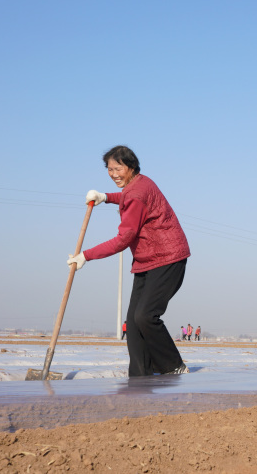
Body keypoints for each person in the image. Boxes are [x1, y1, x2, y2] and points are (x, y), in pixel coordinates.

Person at [67, 145, 190, 376]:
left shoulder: (136, 193)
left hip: (168, 258)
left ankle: (174, 366)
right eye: (109, 169)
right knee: (133, 325)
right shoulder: (139, 183)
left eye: (118, 168)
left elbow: (124, 239)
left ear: (131, 167)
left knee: (145, 316)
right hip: (146, 260)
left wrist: (86, 255)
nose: (113, 174)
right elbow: (127, 197)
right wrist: (105, 197)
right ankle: (140, 375)